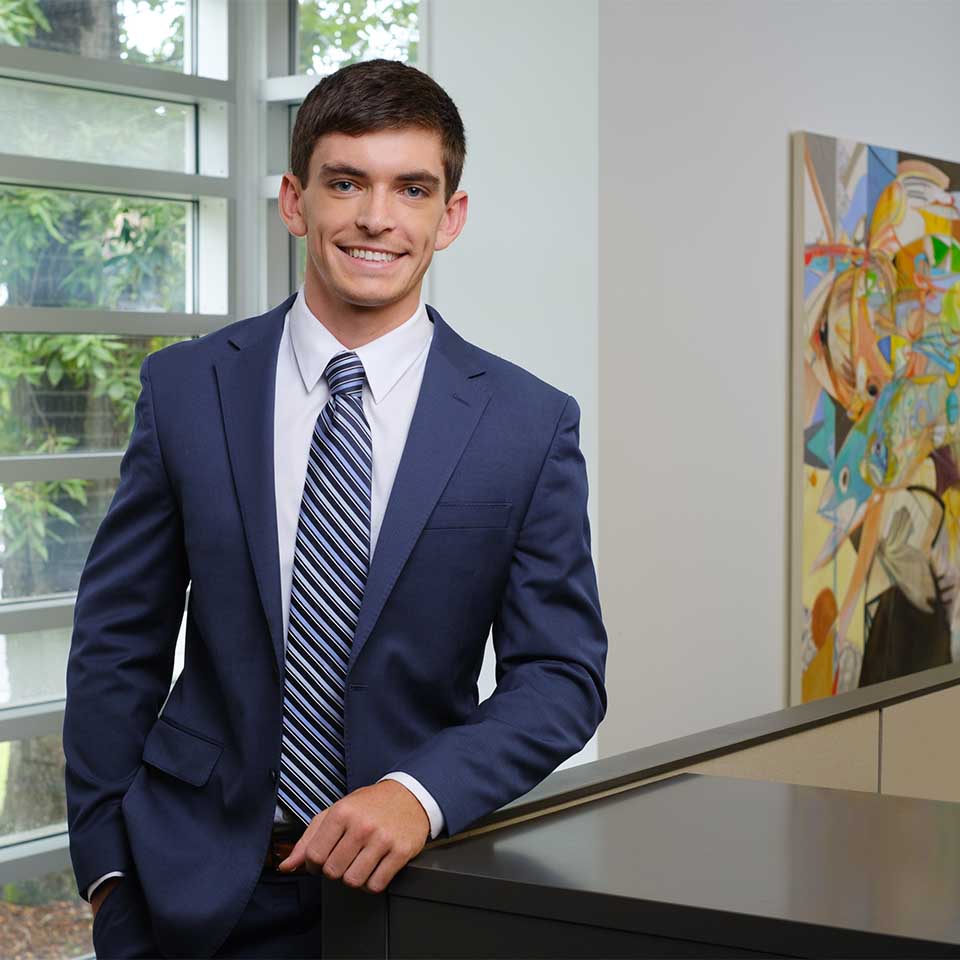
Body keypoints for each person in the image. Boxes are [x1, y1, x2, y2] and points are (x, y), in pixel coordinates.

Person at [63, 57, 607, 958]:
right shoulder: (187, 389)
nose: (376, 218)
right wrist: (109, 873)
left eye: (412, 188)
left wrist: (419, 793)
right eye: (345, 182)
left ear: (450, 216)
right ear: (294, 199)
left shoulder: (527, 425)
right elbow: (118, 637)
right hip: (188, 893)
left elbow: (561, 676)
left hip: (418, 890)